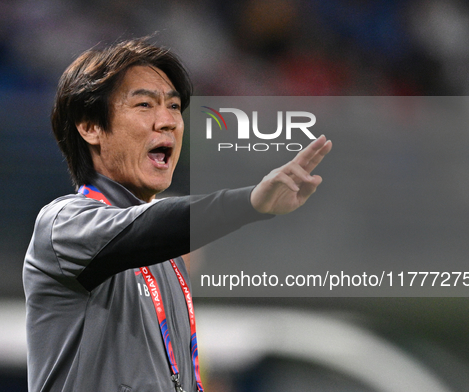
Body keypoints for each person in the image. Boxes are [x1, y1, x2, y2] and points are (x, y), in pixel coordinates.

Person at [23, 38, 332, 392]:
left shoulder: (168, 265)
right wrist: (250, 202)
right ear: (90, 127)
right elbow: (148, 227)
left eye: (173, 107)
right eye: (144, 104)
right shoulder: (63, 225)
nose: (169, 121)